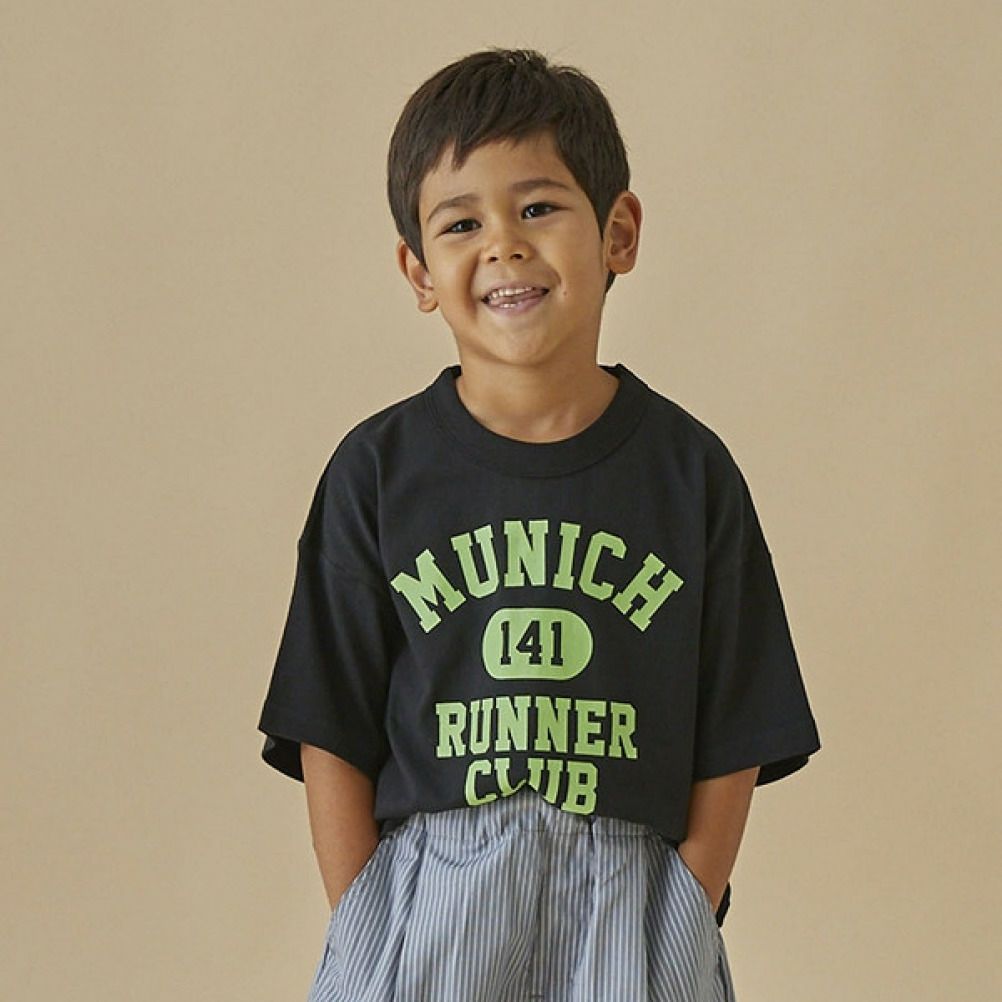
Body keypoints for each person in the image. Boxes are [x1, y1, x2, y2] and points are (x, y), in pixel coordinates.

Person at [257, 47, 821, 1002]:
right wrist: (364, 918)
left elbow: (738, 722)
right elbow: (330, 726)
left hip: (629, 896)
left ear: (618, 233)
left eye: (538, 208)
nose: (504, 247)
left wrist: (688, 901)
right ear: (419, 270)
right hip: (432, 892)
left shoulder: (690, 474)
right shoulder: (377, 473)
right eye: (461, 223)